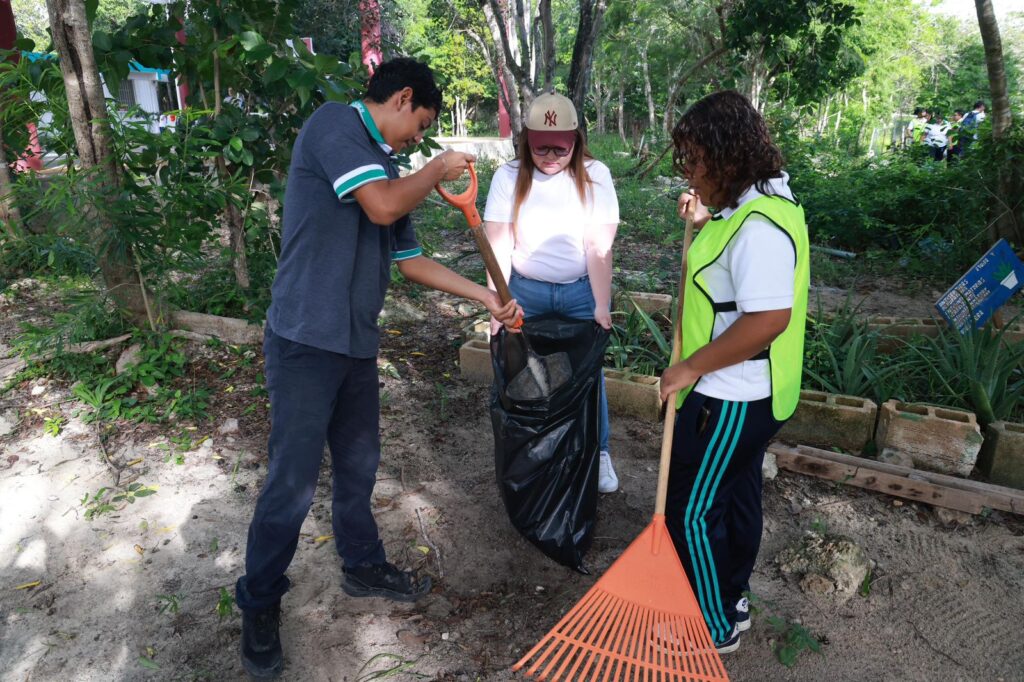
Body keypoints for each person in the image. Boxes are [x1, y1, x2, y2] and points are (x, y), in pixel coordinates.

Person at [235, 58, 522, 679]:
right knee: (292, 481)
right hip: (305, 341)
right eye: (420, 124)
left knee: (359, 466)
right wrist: (435, 169)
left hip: (355, 344)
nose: (418, 138)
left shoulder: (389, 168)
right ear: (401, 97)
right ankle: (258, 601)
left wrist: (486, 297)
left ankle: (362, 565)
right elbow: (382, 208)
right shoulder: (333, 126)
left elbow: (411, 261)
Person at [661, 90, 809, 654]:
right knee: (738, 493)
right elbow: (735, 253)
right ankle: (731, 595)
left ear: (727, 156)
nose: (691, 172)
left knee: (691, 510)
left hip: (731, 396)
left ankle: (710, 625)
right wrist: (707, 217)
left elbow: (768, 319)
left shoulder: (758, 228)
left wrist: (688, 369)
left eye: (697, 160)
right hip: (757, 393)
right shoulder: (765, 200)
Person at [483, 90, 621, 493]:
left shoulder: (596, 175)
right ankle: (535, 451)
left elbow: (598, 246)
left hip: (579, 292)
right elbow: (499, 245)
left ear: (575, 140)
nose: (550, 156)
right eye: (541, 147)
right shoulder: (508, 177)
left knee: (587, 375)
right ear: (526, 139)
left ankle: (598, 452)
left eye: (560, 148)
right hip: (526, 292)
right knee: (526, 374)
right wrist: (497, 305)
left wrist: (600, 304)